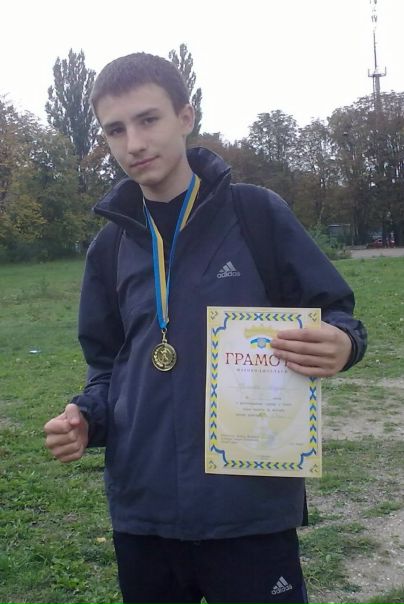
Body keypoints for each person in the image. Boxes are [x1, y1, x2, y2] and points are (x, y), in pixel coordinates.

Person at [44, 52, 367, 604]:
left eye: (148, 120)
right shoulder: (109, 246)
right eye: (115, 130)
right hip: (144, 513)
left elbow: (337, 313)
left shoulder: (255, 215)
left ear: (185, 116)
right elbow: (107, 368)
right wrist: (86, 418)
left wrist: (342, 343)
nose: (134, 143)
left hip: (248, 509)